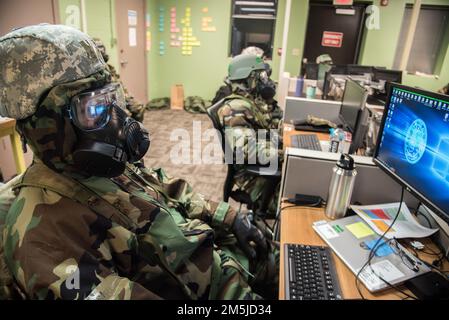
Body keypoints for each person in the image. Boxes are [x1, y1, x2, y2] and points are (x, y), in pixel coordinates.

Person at [0, 24, 278, 300]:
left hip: (219, 260)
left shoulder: (102, 166)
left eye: (112, 100)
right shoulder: (45, 236)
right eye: (94, 109)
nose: (117, 121)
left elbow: (165, 188)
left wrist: (227, 216)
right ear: (46, 126)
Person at [215, 54, 283, 217]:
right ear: (250, 78)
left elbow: (267, 126)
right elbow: (246, 149)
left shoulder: (249, 102)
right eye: (262, 76)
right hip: (255, 180)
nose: (265, 80)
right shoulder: (235, 109)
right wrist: (286, 155)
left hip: (265, 167)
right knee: (305, 199)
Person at [93, 38, 145, 122]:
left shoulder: (110, 68)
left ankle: (137, 132)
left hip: (120, 99)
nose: (102, 52)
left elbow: (121, 87)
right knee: (126, 116)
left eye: (102, 49)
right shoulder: (93, 73)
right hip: (108, 104)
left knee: (138, 108)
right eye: (99, 50)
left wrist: (129, 100)